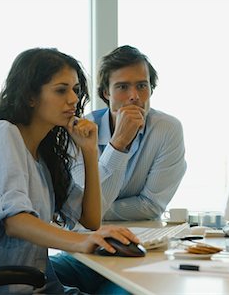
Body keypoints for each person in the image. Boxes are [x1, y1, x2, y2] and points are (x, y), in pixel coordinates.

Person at [0, 48, 139, 294]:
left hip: (45, 288)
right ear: (30, 96)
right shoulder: (2, 134)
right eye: (61, 90)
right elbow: (14, 221)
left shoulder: (44, 157)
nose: (73, 99)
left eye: (75, 90)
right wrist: (82, 242)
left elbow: (91, 220)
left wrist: (88, 151)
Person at [50, 45, 187, 293]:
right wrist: (118, 145)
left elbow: (151, 206)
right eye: (122, 87)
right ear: (106, 93)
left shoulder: (167, 130)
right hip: (86, 249)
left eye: (142, 86)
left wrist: (92, 211)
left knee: (127, 290)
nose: (134, 96)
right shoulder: (80, 130)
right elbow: (86, 212)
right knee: (40, 274)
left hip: (139, 250)